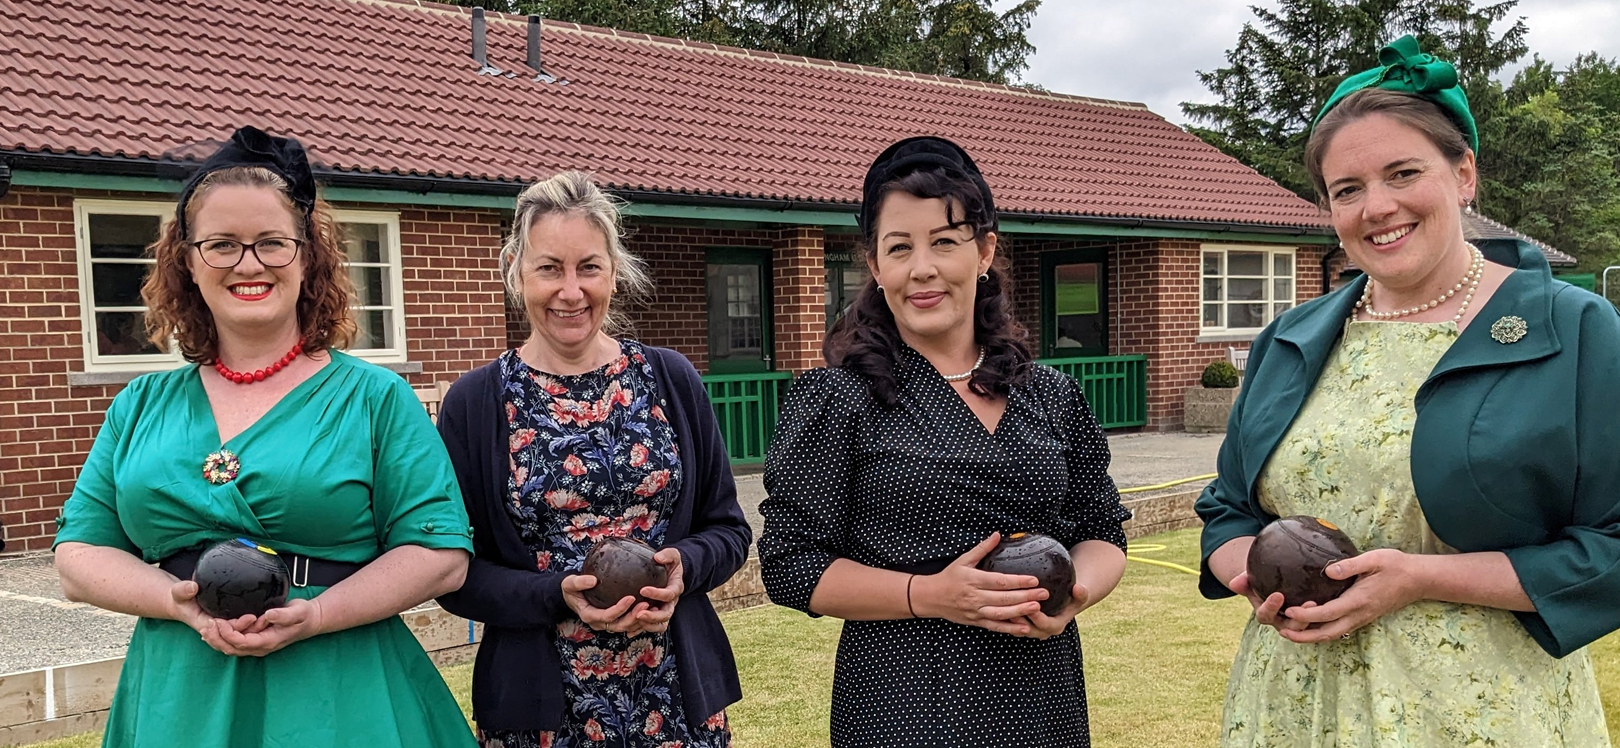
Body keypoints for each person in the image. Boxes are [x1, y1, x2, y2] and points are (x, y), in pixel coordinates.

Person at [1196, 36, 1620, 746]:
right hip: (1296, 705)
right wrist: (1252, 577)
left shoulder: (1574, 329)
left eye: (1402, 173)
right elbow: (1227, 509)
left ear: (1464, 175)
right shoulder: (1292, 338)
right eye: (1348, 190)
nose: (1377, 207)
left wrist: (1420, 577)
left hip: (1477, 709)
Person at [52, 126, 477, 747]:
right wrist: (176, 601)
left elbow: (440, 557)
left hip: (341, 695)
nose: (248, 264)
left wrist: (318, 615)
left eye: (271, 243)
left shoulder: (375, 398)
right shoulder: (138, 406)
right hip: (179, 696)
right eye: (221, 245)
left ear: (307, 258)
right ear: (188, 263)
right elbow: (77, 558)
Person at [758, 136, 1130, 748]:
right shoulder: (837, 399)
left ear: (984, 252)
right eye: (899, 248)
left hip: (1044, 700)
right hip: (904, 702)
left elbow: (1102, 532)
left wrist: (1075, 595)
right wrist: (929, 595)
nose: (922, 268)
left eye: (944, 242)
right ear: (876, 269)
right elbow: (791, 567)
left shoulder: (1052, 395)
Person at [435, 171, 751, 748]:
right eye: (549, 267)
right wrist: (557, 594)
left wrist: (682, 567)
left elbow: (729, 530)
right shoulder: (475, 404)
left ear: (614, 270)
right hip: (541, 710)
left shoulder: (671, 380)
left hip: (675, 694)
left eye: (588, 267)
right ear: (517, 270)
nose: (570, 291)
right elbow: (454, 576)